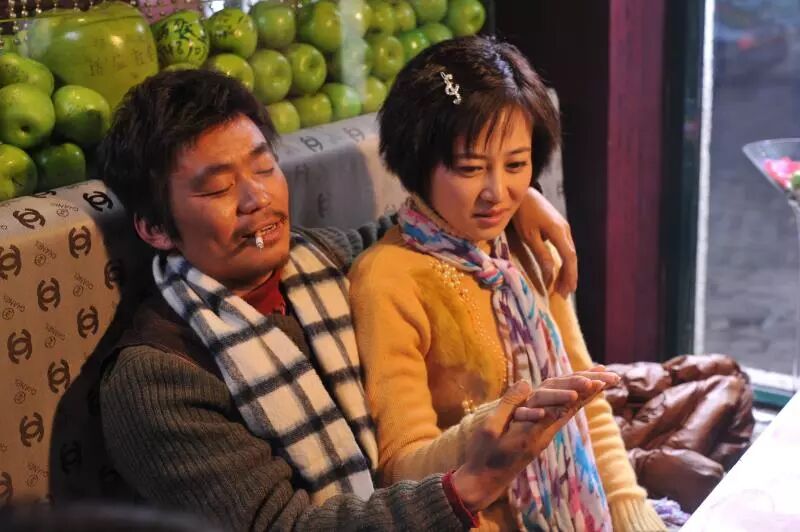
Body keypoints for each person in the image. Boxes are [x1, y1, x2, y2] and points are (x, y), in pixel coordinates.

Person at [95, 69, 615, 531]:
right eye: (217, 190)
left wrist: (514, 200)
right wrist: (469, 487)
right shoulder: (157, 379)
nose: (258, 199)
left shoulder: (318, 259)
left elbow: (428, 228)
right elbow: (283, 526)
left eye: (263, 167)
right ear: (155, 228)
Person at [348, 36, 668, 531]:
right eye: (470, 168)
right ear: (417, 161)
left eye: (516, 165)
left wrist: (629, 507)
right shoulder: (387, 277)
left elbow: (587, 402)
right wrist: (494, 427)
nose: (497, 193)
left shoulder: (524, 244)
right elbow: (401, 468)